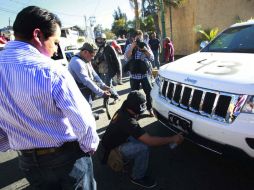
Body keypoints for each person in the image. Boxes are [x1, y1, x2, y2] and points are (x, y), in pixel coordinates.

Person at [0, 6, 99, 190]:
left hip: (28, 162)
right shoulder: (50, 70)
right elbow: (83, 121)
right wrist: (89, 147)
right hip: (65, 159)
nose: (55, 50)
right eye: (54, 42)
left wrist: (13, 142)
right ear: (38, 35)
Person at [101, 91, 184, 188]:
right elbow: (150, 141)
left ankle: (125, 158)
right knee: (143, 147)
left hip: (111, 142)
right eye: (141, 106)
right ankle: (137, 177)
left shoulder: (124, 109)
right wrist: (172, 139)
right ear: (134, 107)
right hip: (111, 151)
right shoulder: (128, 121)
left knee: (141, 137)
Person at [68, 42, 111, 109]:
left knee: (89, 105)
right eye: (92, 56)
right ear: (85, 52)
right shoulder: (76, 62)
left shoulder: (85, 59)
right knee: (86, 108)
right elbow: (86, 80)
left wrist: (102, 84)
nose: (93, 58)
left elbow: (93, 72)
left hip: (86, 89)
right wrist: (101, 93)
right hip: (80, 91)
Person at [124, 29, 155, 117]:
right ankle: (135, 112)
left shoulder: (145, 46)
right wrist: (132, 47)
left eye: (140, 38)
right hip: (134, 76)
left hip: (145, 75)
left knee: (149, 92)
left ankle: (150, 109)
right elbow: (126, 58)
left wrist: (145, 50)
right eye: (137, 39)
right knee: (134, 95)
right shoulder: (129, 46)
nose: (139, 40)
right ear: (133, 38)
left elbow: (152, 58)